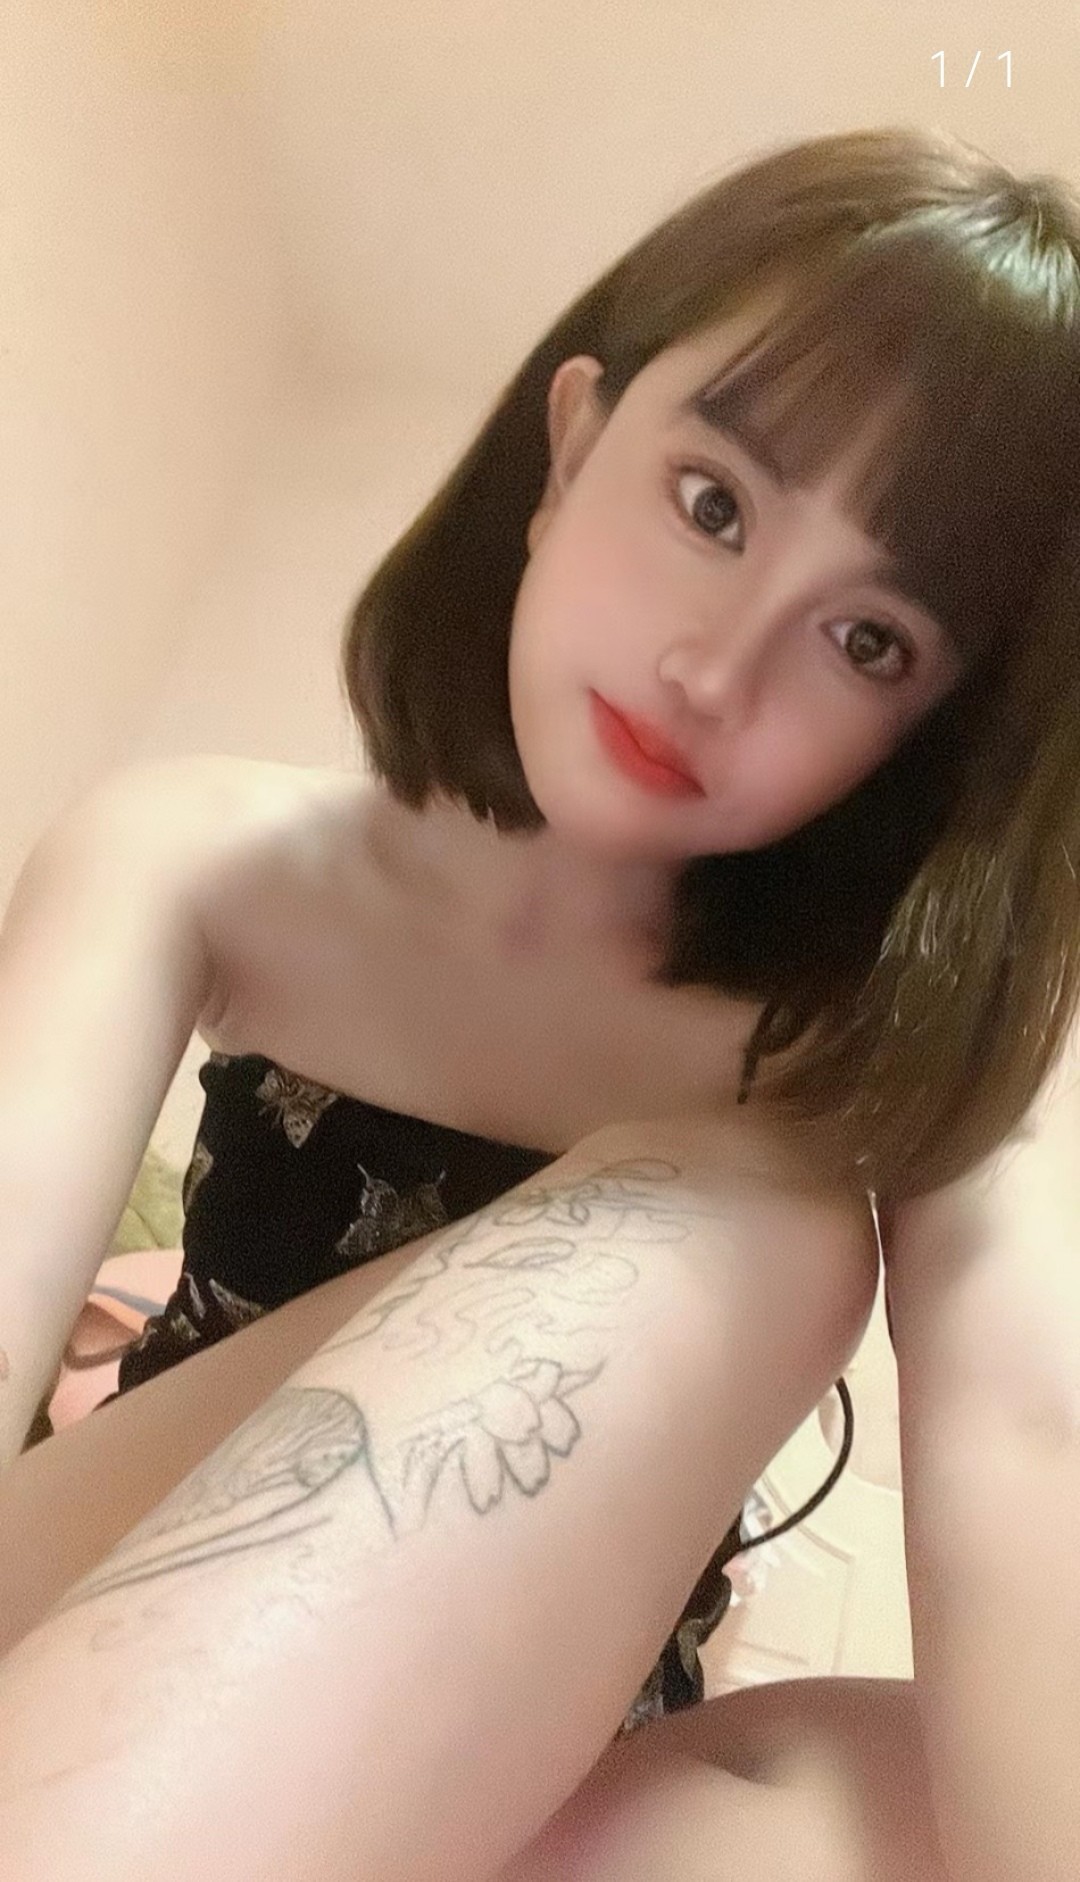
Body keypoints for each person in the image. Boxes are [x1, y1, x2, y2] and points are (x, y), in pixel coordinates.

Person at [1, 121, 1079, 1879]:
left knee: (890, 1769)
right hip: (114, 1635)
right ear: (572, 444)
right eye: (714, 505)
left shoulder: (864, 1046)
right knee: (761, 1204)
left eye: (868, 639)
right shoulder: (199, 850)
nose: (714, 668)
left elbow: (1037, 1430)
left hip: (544, 1775)